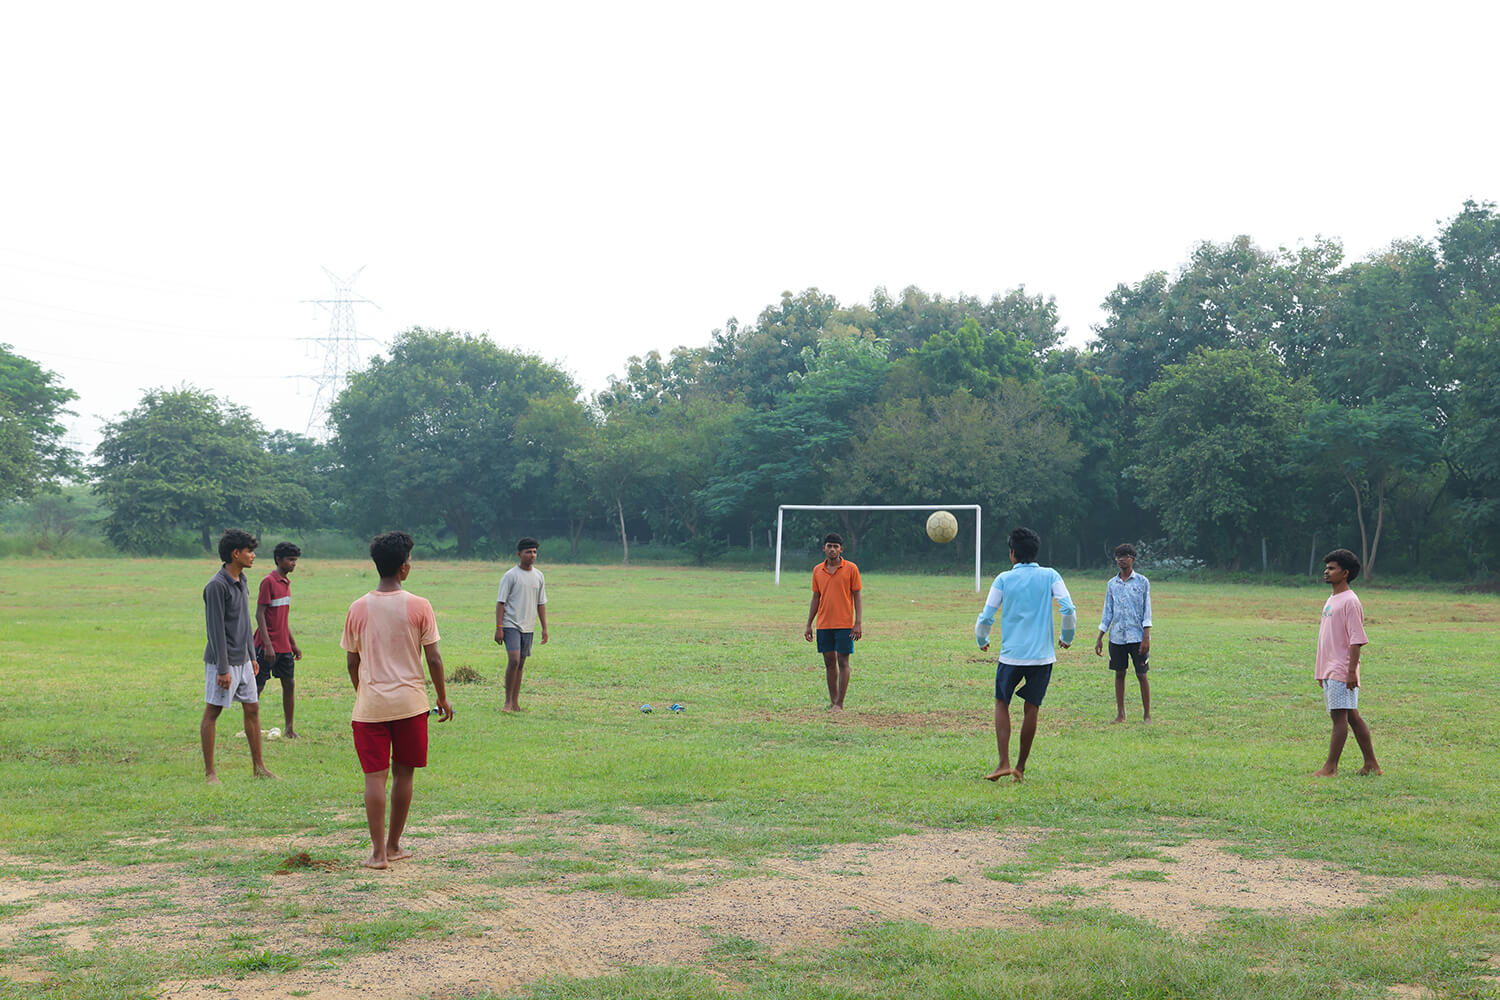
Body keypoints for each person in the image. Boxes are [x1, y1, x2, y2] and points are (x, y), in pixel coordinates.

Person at [341, 531, 454, 869]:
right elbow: (433, 658)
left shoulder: (358, 607)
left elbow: (352, 662)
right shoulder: (420, 606)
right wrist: (442, 697)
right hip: (410, 704)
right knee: (404, 775)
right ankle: (393, 846)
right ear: (404, 567)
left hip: (370, 706)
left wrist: (363, 692)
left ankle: (377, 854)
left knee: (374, 778)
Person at [975, 527, 1076, 783]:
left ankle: (1003, 763)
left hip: (1011, 656)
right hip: (1042, 658)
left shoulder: (1003, 579)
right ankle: (1019, 768)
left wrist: (982, 639)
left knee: (1002, 702)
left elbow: (987, 615)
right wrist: (1067, 637)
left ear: (1012, 553)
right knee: (1032, 708)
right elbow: (1068, 609)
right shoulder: (1050, 575)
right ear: (1035, 552)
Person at [200, 528, 276, 784]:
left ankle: (259, 768)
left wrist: (251, 656)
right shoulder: (216, 586)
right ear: (235, 553)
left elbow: (244, 621)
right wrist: (223, 668)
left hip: (244, 660)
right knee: (213, 712)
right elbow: (215, 631)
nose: (253, 555)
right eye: (249, 551)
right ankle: (210, 773)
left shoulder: (242, 580)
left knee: (252, 708)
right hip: (223, 662)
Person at [1312, 548, 1381, 778]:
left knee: (1339, 717)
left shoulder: (1350, 601)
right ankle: (1371, 763)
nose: (1326, 571)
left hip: (1341, 669)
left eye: (1332, 568)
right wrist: (1322, 671)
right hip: (1330, 669)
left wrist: (1351, 671)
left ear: (1345, 573)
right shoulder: (1333, 599)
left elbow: (1356, 639)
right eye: (1326, 567)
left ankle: (1330, 767)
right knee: (1352, 716)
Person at [803, 532, 862, 711]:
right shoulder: (817, 570)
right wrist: (809, 624)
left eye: (836, 546)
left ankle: (840, 703)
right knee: (829, 662)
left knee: (843, 661)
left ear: (841, 549)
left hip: (845, 624)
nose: (832, 549)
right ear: (824, 548)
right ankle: (833, 700)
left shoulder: (851, 568)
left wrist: (858, 622)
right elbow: (816, 597)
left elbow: (857, 595)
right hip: (824, 624)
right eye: (829, 546)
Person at [1094, 543, 1152, 723]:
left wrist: (1146, 637)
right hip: (1117, 637)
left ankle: (1147, 715)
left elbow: (1147, 611)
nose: (1121, 560)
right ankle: (1121, 714)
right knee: (1119, 674)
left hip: (1137, 636)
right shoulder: (1112, 584)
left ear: (1132, 559)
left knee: (1141, 674)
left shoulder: (1142, 582)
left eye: (1125, 556)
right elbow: (1107, 611)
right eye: (1118, 556)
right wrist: (1100, 637)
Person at [493, 536, 549, 712]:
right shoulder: (510, 576)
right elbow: (501, 603)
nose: (532, 555)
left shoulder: (539, 576)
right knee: (514, 660)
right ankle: (507, 703)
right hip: (511, 624)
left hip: (528, 626)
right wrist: (499, 628)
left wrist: (544, 628)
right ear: (519, 554)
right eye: (528, 552)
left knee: (521, 664)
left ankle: (515, 703)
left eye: (534, 552)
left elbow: (541, 603)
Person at [254, 541, 304, 738]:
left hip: (283, 646)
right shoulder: (268, 582)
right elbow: (260, 614)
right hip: (266, 645)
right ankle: (251, 726)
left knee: (289, 684)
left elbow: (282, 618)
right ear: (278, 559)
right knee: (258, 686)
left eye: (295, 560)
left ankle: (289, 729)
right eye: (290, 560)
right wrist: (267, 645)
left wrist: (293, 644)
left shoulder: (286, 583)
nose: (293, 563)